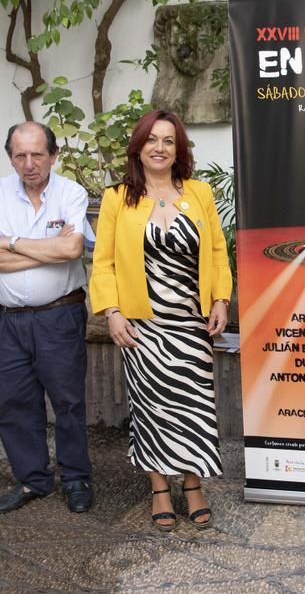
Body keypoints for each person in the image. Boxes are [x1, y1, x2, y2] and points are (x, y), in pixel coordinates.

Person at [89, 109, 232, 531]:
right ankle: (159, 489)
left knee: (194, 406)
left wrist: (221, 300)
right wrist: (112, 312)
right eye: (152, 139)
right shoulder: (118, 197)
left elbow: (219, 253)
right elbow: (104, 264)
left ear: (178, 149)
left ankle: (192, 485)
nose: (160, 148)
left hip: (191, 322)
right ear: (138, 146)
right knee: (151, 407)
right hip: (142, 324)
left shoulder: (199, 193)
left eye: (169, 141)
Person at [0, 122, 93, 514]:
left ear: (53, 156)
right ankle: (33, 480)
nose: (29, 164)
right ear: (10, 157)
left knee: (68, 402)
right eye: (20, 155)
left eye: (37, 154)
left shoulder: (71, 193)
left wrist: (9, 241)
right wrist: (47, 248)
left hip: (59, 317)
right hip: (8, 321)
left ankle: (76, 478)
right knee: (17, 403)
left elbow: (72, 249)